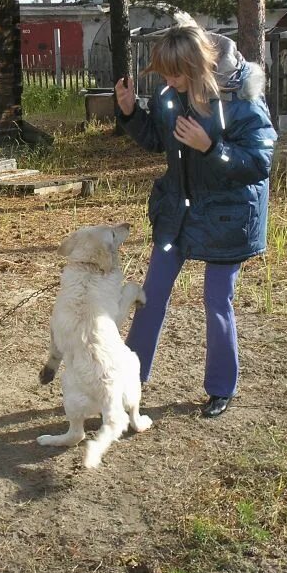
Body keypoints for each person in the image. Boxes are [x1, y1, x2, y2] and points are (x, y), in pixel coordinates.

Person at [114, 23, 276, 418]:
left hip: (228, 217)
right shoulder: (171, 95)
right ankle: (127, 383)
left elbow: (260, 162)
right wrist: (131, 112)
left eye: (176, 73)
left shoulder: (241, 99)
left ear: (197, 66)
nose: (168, 82)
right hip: (179, 212)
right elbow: (157, 139)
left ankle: (221, 388)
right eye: (164, 74)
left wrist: (212, 148)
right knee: (150, 297)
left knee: (216, 300)